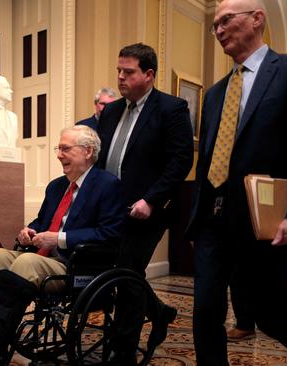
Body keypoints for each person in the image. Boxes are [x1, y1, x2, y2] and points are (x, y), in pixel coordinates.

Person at [187, 0, 287, 365]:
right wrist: (197, 216)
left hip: (261, 220)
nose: (219, 29)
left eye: (226, 21)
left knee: (268, 311)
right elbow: (208, 158)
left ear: (256, 19)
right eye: (215, 25)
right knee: (206, 307)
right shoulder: (216, 92)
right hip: (213, 218)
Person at [0, 125, 127, 365]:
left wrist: (59, 238)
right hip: (42, 257)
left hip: (76, 265)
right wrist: (28, 230)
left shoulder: (107, 184)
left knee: (26, 261)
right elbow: (41, 221)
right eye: (58, 148)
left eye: (65, 148)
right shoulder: (56, 186)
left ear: (87, 151)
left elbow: (109, 233)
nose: (58, 154)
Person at [96, 43, 194, 363]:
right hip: (110, 208)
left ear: (148, 75)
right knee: (122, 271)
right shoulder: (110, 111)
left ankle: (123, 353)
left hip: (148, 209)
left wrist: (151, 200)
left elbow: (179, 162)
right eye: (118, 71)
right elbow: (100, 160)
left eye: (128, 72)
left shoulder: (171, 109)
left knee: (126, 273)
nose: (121, 78)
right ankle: (159, 311)